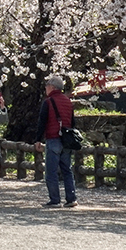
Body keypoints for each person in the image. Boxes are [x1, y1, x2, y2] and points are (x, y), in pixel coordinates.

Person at [34, 74, 78, 208]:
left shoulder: (48, 102)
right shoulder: (68, 101)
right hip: (66, 140)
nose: (46, 88)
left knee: (51, 171)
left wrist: (37, 139)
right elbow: (72, 122)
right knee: (67, 170)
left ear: (52, 87)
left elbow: (42, 122)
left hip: (53, 139)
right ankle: (71, 198)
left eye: (47, 86)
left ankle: (55, 199)